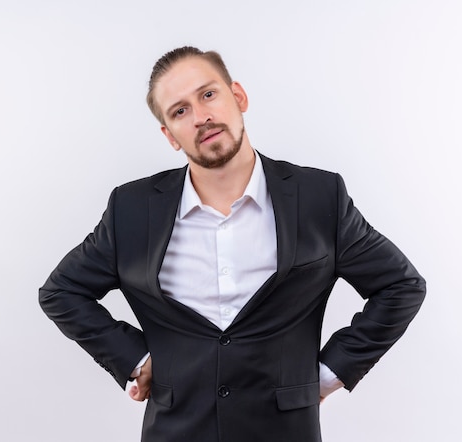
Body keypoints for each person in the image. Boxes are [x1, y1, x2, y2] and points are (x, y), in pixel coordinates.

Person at [39, 46, 426, 442]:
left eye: (208, 95)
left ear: (237, 96)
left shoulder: (319, 196)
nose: (201, 116)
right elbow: (61, 292)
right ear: (170, 135)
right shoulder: (132, 208)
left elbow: (401, 286)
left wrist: (330, 373)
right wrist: (134, 358)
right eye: (179, 111)